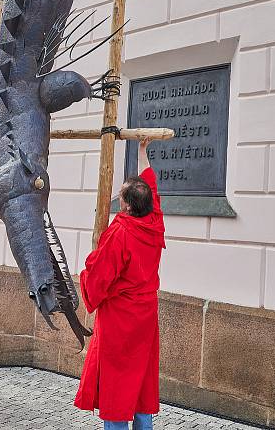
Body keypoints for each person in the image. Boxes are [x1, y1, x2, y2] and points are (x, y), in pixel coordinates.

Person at [74, 138, 165, 430]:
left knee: (117, 384)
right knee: (140, 379)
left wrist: (86, 271)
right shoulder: (155, 221)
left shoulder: (120, 232)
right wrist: (142, 152)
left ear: (125, 206)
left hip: (120, 319)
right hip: (146, 315)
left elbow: (99, 278)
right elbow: (151, 187)